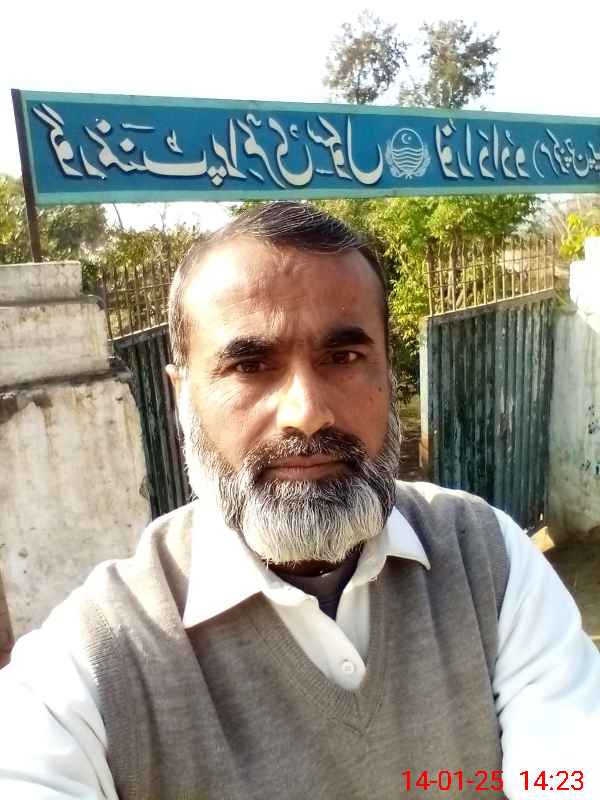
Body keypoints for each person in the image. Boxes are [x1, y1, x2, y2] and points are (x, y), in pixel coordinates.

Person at [1, 201, 599, 800]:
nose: (307, 413)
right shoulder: (97, 658)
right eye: (250, 365)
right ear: (182, 397)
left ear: (389, 375)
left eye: (343, 358)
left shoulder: (485, 558)